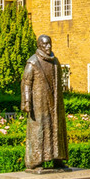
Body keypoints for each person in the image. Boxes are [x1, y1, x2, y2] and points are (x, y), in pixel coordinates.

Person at [21, 34, 68, 170]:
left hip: (55, 103)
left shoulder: (55, 62)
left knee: (56, 128)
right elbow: (26, 83)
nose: (48, 47)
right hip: (39, 104)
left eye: (50, 44)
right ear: (39, 45)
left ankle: (57, 158)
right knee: (39, 130)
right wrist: (26, 101)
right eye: (45, 44)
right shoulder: (33, 62)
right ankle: (36, 162)